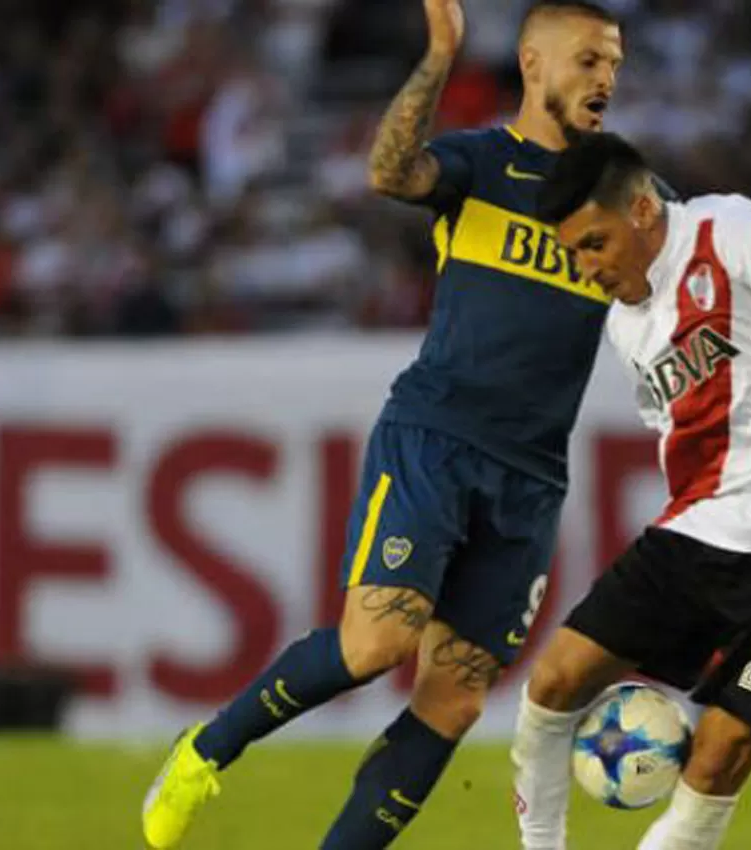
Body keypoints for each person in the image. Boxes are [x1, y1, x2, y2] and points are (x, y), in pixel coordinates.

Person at [141, 2, 627, 848]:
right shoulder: (482, 163)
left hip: (534, 478)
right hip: (438, 438)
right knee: (378, 641)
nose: (606, 79)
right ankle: (205, 748)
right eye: (588, 60)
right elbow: (389, 171)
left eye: (614, 64)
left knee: (456, 695)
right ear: (534, 65)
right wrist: (438, 55)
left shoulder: (621, 200)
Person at [510, 133, 751, 850]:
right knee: (553, 684)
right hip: (703, 529)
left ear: (644, 209)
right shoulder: (626, 326)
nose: (587, 269)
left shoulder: (725, 226)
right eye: (575, 255)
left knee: (720, 757)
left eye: (595, 244)